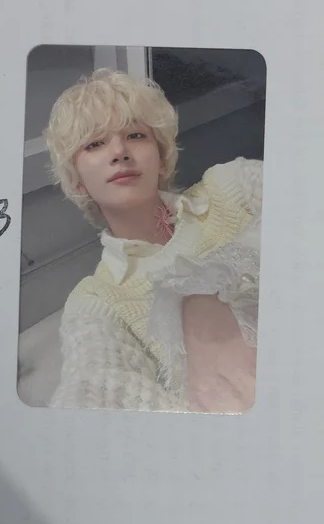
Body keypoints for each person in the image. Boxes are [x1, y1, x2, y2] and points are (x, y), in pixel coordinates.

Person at [44, 68, 262, 413]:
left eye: (135, 135)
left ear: (161, 158)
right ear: (79, 181)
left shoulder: (232, 186)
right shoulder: (95, 300)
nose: (119, 151)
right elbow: (96, 385)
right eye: (95, 144)